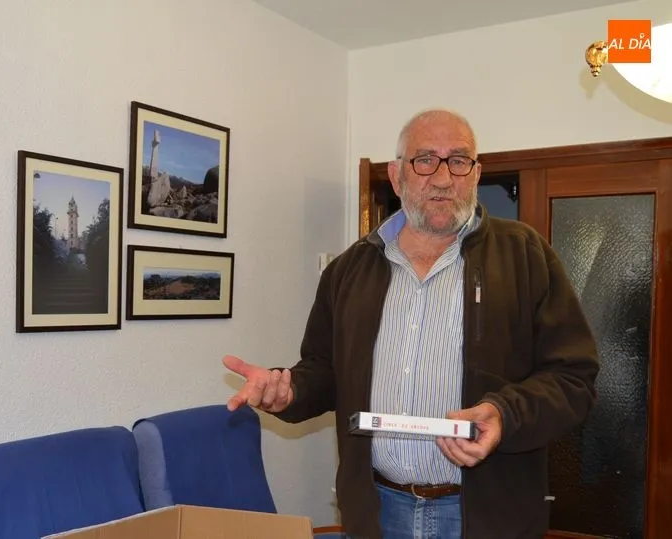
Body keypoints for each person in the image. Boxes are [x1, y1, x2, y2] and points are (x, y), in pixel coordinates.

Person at [223, 108, 600, 539]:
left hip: (487, 517)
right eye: (425, 160)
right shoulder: (348, 270)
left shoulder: (525, 256)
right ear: (396, 175)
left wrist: (505, 413)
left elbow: (574, 379)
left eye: (458, 160)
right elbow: (325, 372)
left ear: (476, 174)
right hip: (377, 512)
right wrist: (288, 390)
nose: (443, 178)